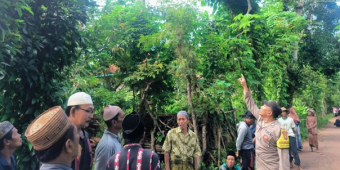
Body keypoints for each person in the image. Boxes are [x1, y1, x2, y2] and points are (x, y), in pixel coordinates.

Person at [238, 74, 288, 170]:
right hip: (260, 166)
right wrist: (245, 86)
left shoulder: (280, 130)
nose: (261, 107)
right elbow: (251, 104)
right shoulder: (260, 119)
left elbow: (284, 157)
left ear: (269, 113)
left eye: (264, 106)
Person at [66, 92, 94, 170]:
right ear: (73, 111)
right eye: (88, 111)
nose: (91, 116)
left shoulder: (85, 135)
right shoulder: (61, 136)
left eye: (92, 112)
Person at [94, 105, 125, 170]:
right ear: (114, 122)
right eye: (122, 117)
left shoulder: (117, 136)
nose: (125, 119)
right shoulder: (108, 145)